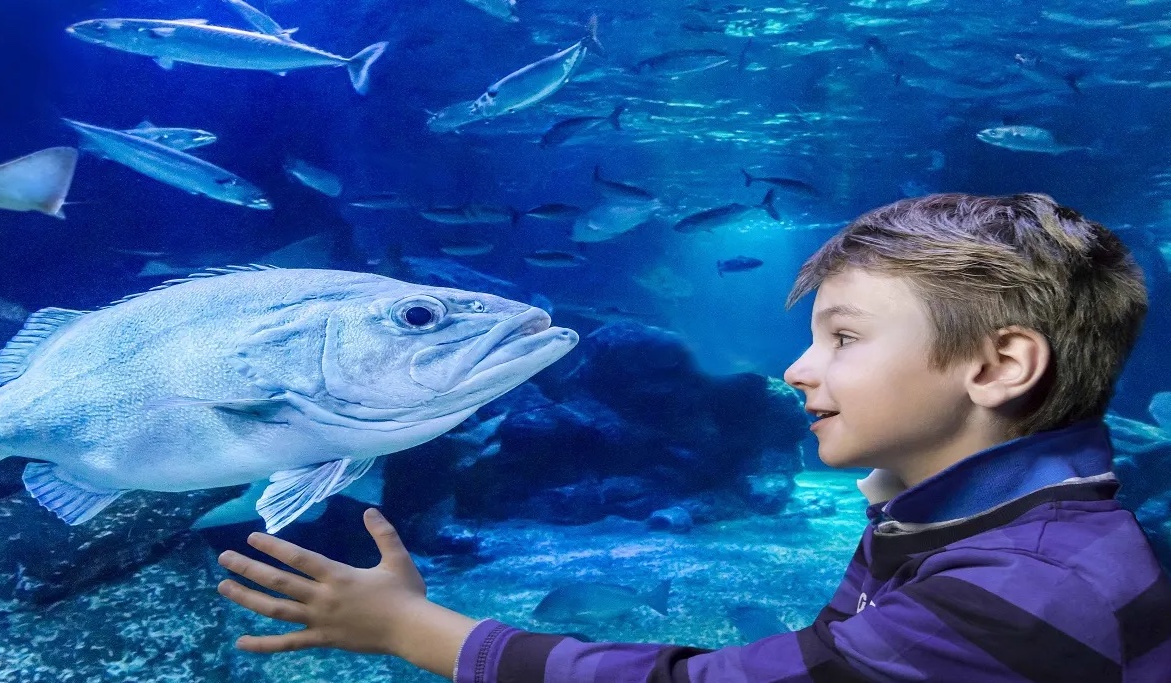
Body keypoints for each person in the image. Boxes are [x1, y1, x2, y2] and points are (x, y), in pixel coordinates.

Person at [213, 193, 1171, 682]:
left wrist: (421, 632)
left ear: (999, 366)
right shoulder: (955, 523)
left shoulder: (1030, 588)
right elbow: (835, 653)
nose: (797, 370)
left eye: (843, 339)